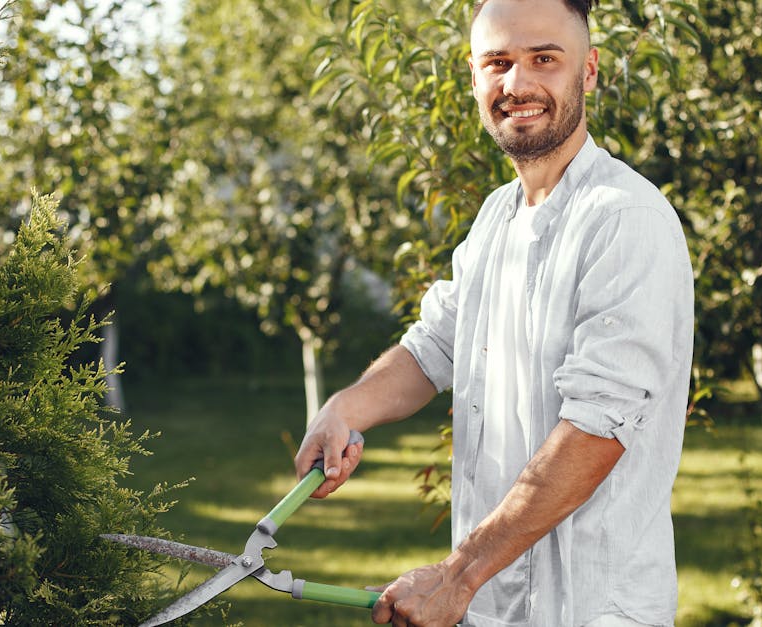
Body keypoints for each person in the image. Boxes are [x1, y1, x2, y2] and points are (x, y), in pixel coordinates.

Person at [293, 0, 694, 624]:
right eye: (498, 63)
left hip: (592, 610)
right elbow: (434, 348)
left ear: (588, 72)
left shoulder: (624, 219)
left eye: (544, 60)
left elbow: (598, 428)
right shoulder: (496, 218)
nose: (518, 84)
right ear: (474, 79)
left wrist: (457, 576)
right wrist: (345, 408)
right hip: (492, 606)